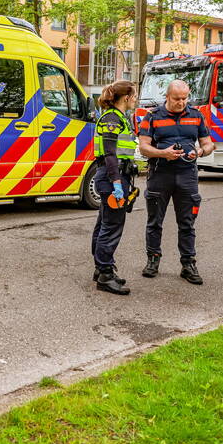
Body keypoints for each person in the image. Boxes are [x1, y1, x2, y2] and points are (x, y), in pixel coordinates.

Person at [137, 80, 215, 284]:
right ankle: (153, 260)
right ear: (167, 97)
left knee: (187, 223)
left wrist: (198, 151)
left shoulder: (196, 116)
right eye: (177, 99)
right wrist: (163, 153)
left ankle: (188, 264)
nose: (181, 102)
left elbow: (208, 144)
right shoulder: (152, 116)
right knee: (155, 221)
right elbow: (143, 147)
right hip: (160, 174)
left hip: (187, 174)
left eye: (184, 98)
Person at [91, 80, 138, 295]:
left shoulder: (119, 117)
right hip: (113, 178)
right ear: (126, 97)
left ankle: (102, 268)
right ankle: (104, 274)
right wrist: (117, 183)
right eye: (134, 96)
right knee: (111, 226)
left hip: (115, 175)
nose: (135, 100)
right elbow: (110, 154)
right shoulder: (112, 118)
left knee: (105, 223)